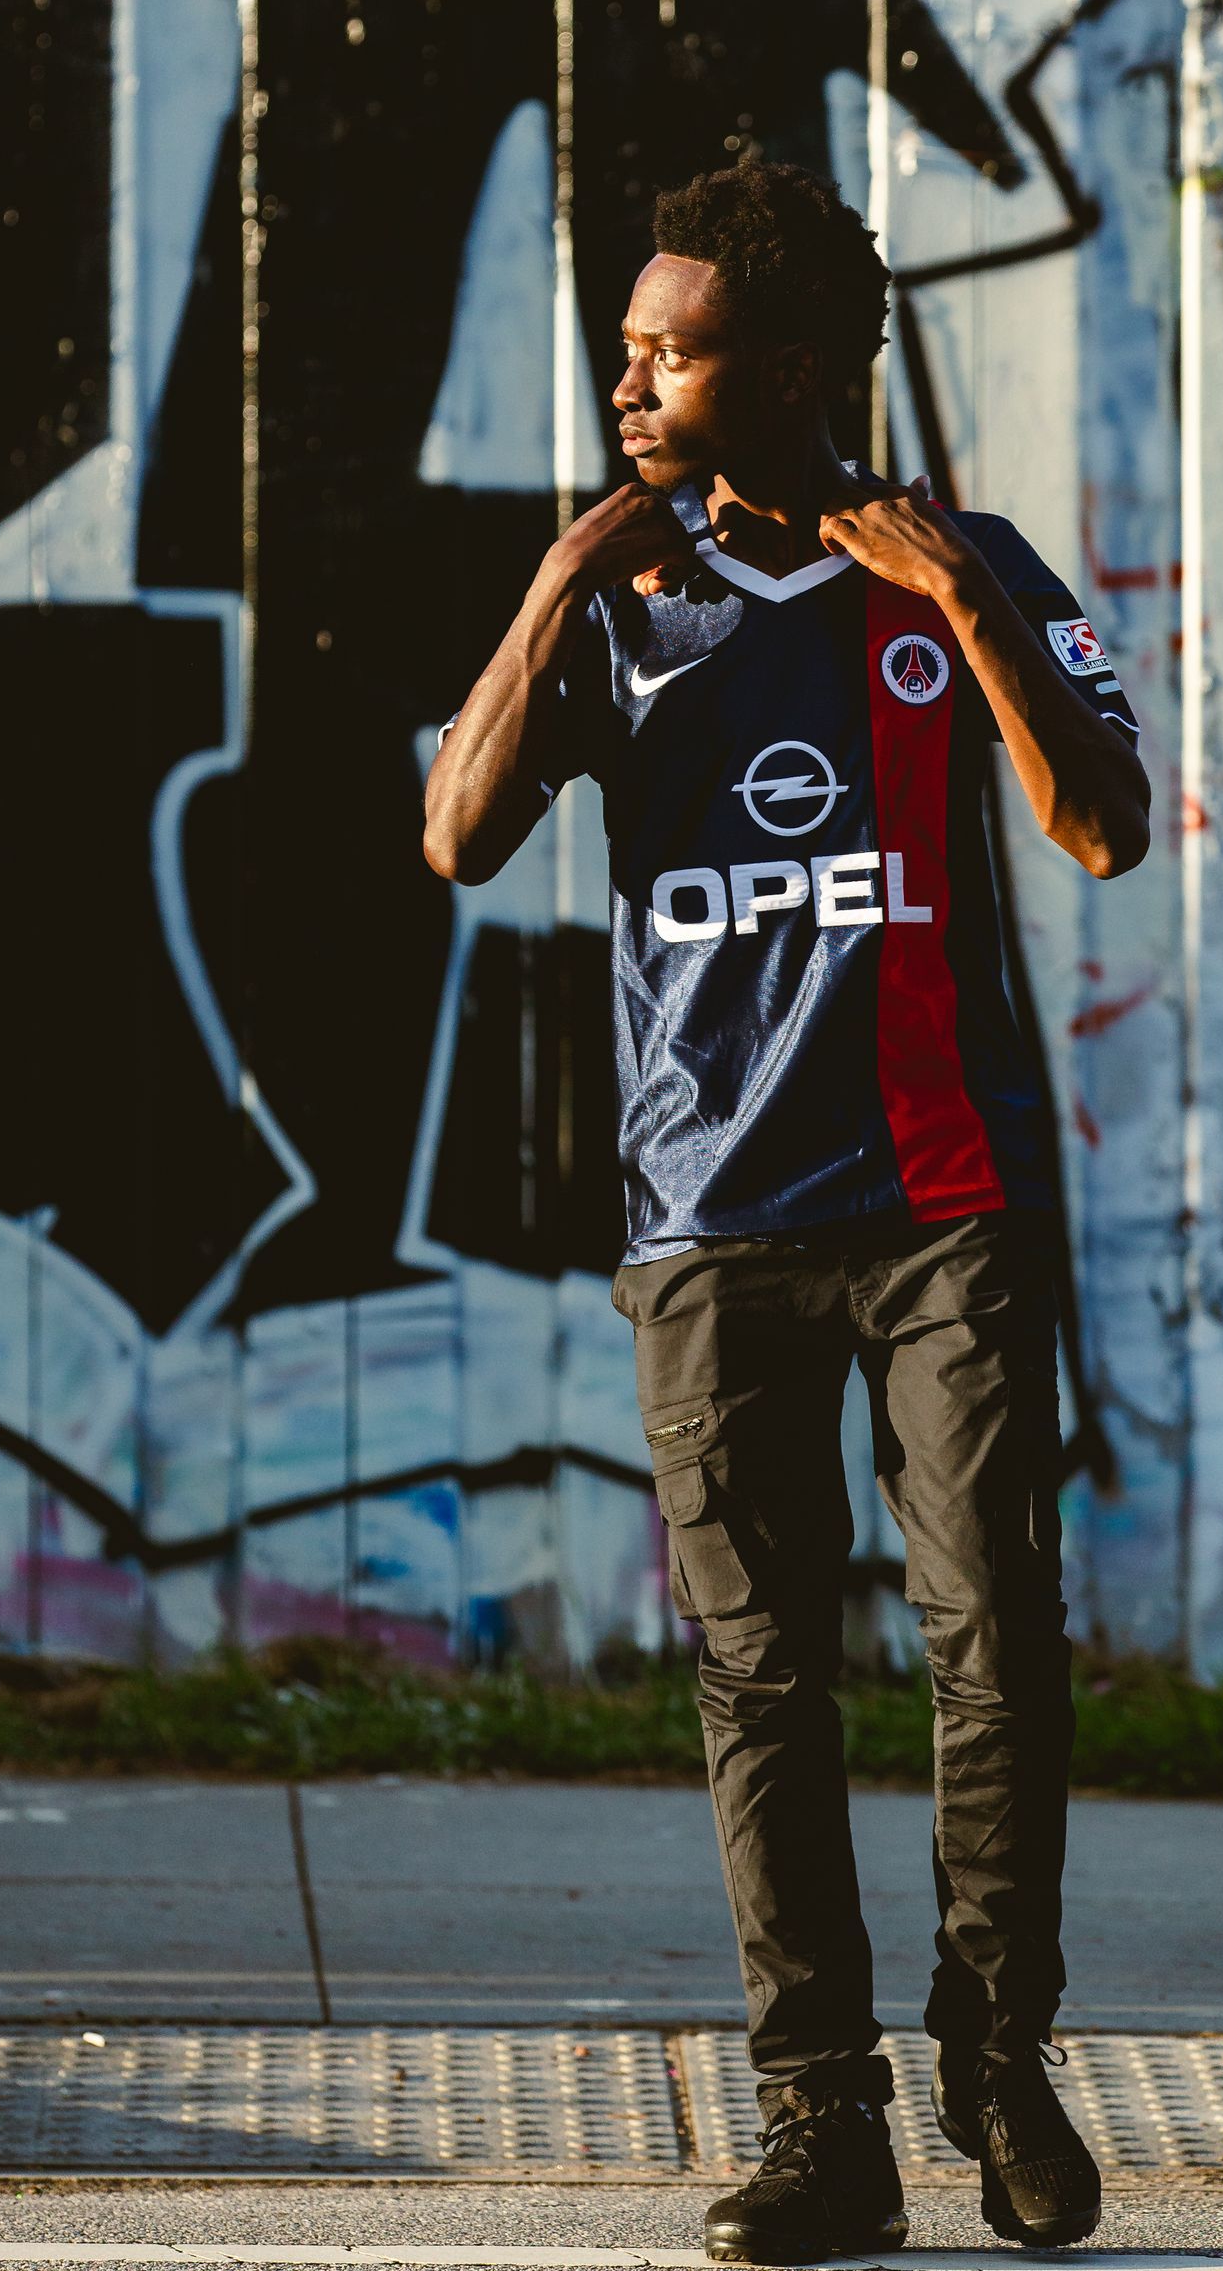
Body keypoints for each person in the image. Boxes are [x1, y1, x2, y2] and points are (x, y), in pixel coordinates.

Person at [423, 161, 1149, 2264]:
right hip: (712, 1215)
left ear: (805, 367)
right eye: (629, 345)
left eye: (675, 347)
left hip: (944, 1205)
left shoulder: (972, 575)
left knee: (995, 1639)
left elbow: (1096, 827)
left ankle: (997, 2063)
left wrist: (972, 605)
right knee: (763, 1674)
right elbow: (459, 837)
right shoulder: (623, 598)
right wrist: (561, 578)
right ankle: (820, 2122)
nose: (630, 376)